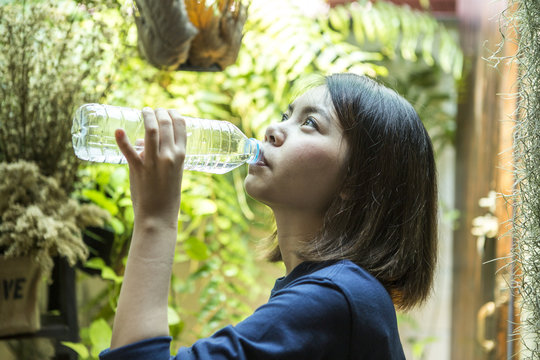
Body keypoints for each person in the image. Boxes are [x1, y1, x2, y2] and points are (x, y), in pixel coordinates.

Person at [99, 73, 438, 360]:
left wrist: (155, 219)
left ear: (357, 179)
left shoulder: (335, 298)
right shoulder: (334, 291)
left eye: (310, 123)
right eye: (285, 115)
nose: (273, 129)